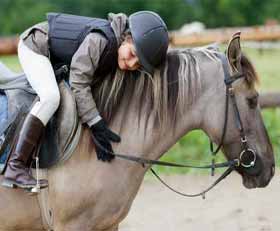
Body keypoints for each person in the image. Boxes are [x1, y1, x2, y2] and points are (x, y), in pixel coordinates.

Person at [1, 11, 169, 191]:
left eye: (138, 64)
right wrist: (96, 124)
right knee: (50, 97)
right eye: (133, 54)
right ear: (126, 38)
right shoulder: (100, 41)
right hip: (34, 46)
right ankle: (15, 166)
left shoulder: (116, 49)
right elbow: (79, 83)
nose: (131, 64)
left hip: (52, 56)